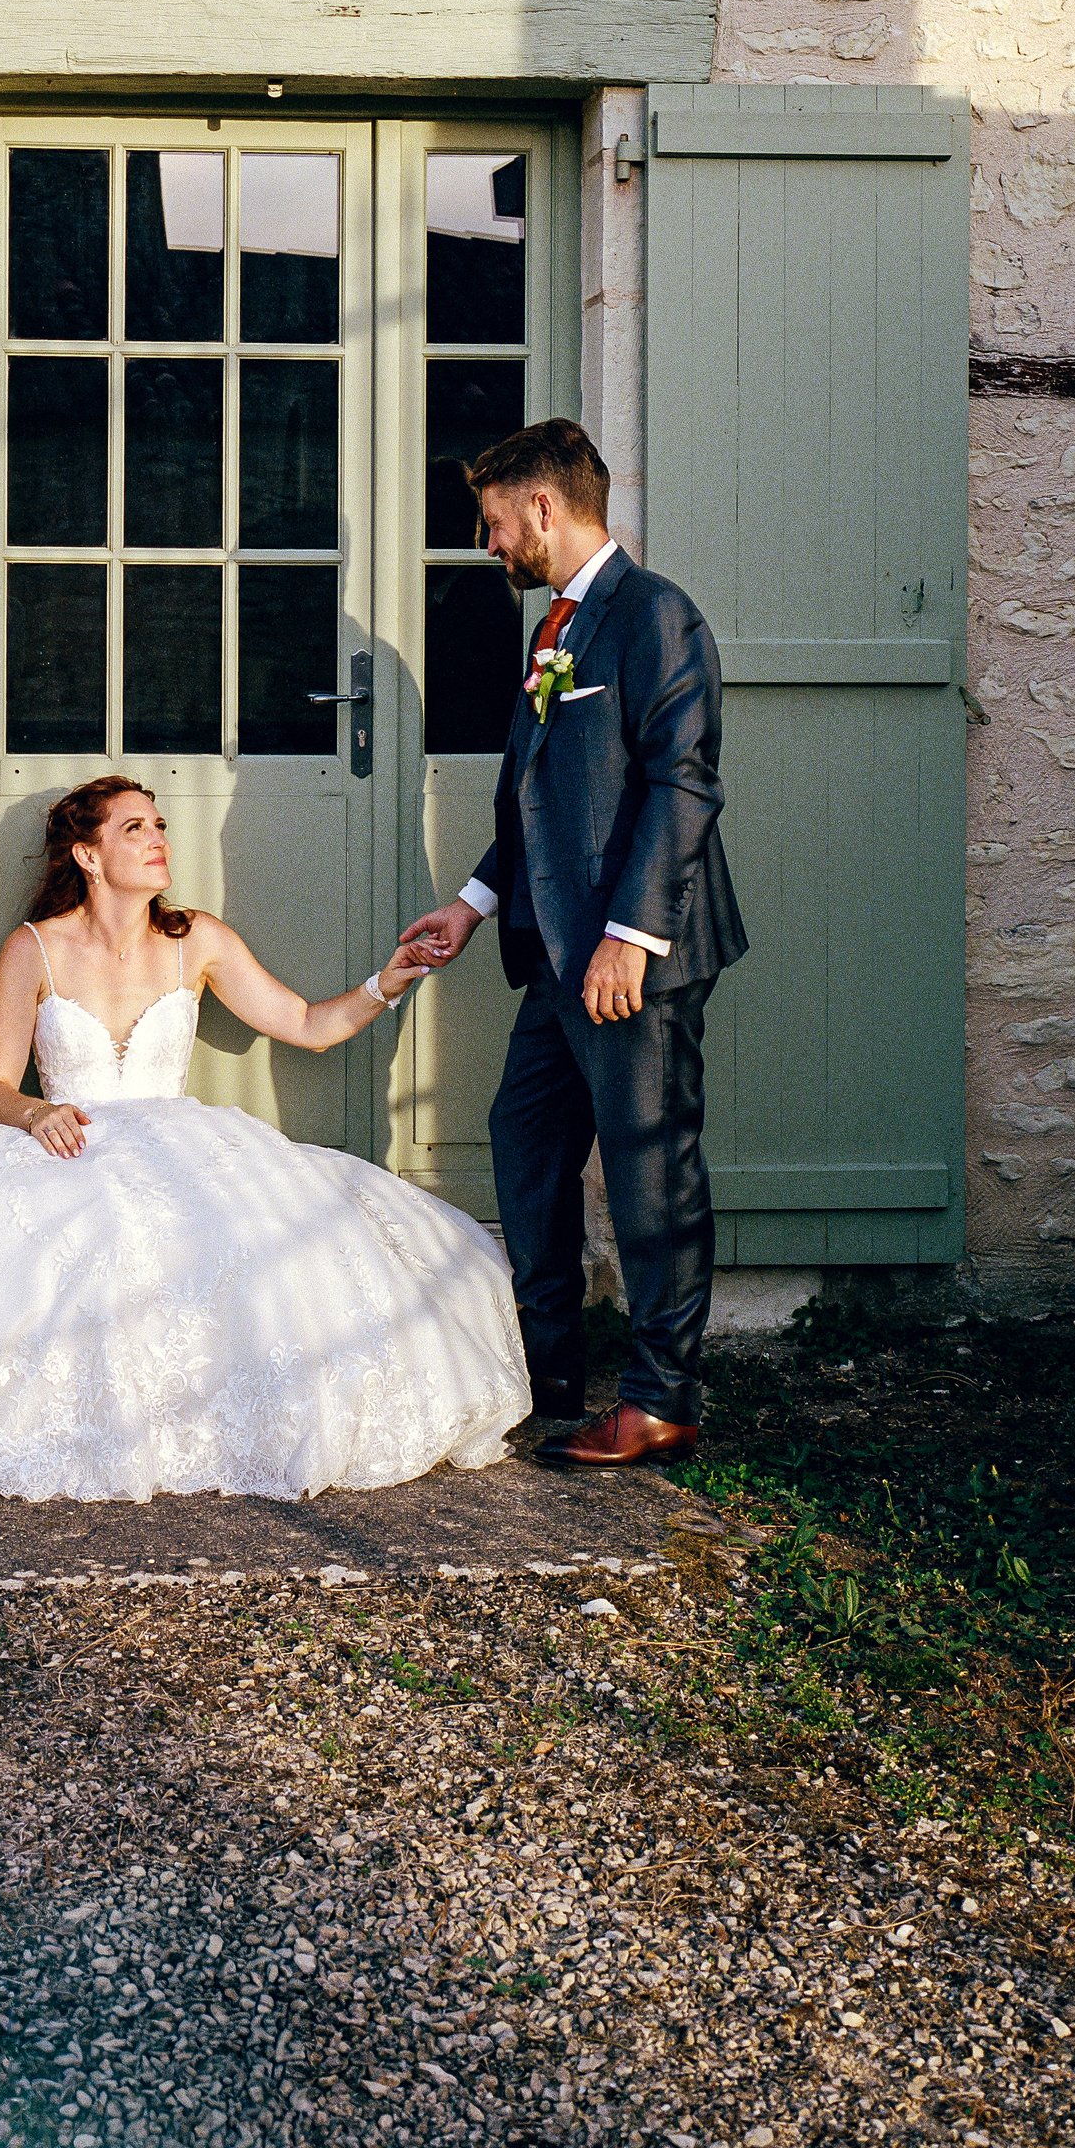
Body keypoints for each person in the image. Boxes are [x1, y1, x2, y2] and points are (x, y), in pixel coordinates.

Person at [0, 775, 531, 1509]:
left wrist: (388, 980)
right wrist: (38, 1115)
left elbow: (307, 1024)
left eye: (159, 824)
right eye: (134, 828)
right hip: (67, 1142)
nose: (158, 838)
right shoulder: (33, 948)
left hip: (183, 1140)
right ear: (88, 855)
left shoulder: (195, 937)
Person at [399, 419, 746, 1468]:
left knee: (649, 1168)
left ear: (544, 508)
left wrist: (628, 939)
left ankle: (658, 1399)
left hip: (631, 959)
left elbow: (682, 787)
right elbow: (534, 804)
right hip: (551, 955)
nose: (489, 543)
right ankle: (546, 1371)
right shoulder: (553, 630)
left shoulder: (655, 618)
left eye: (495, 522)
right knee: (526, 1142)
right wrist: (468, 901)